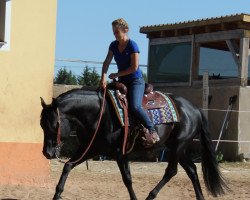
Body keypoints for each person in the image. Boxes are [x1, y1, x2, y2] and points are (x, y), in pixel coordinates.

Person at [100, 18, 160, 145]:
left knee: (135, 106)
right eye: (113, 32)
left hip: (135, 81)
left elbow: (134, 68)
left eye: (117, 32)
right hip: (122, 81)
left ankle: (152, 129)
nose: (115, 34)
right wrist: (103, 77)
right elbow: (106, 62)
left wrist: (116, 74)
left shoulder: (133, 45)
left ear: (125, 30)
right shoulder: (113, 45)